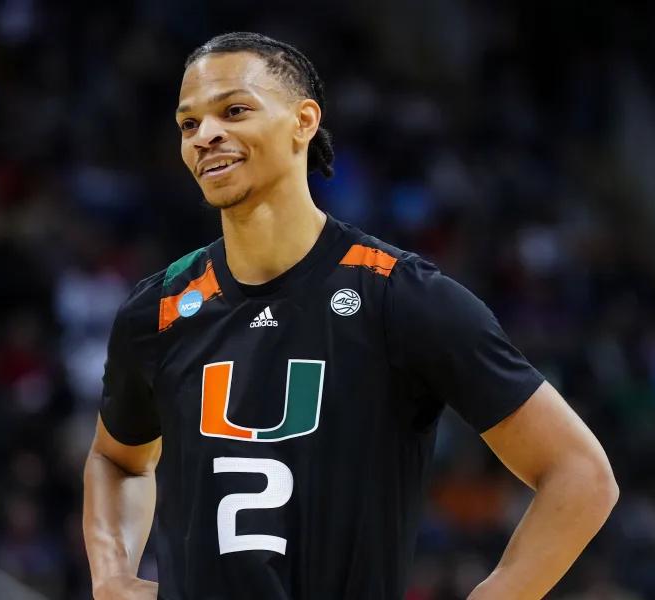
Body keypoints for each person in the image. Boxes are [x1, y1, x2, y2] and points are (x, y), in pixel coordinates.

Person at [83, 32, 618, 600]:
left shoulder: (399, 296)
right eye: (188, 124)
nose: (205, 135)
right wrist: (112, 577)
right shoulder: (159, 310)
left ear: (303, 121)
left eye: (234, 111)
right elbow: (117, 461)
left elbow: (581, 474)